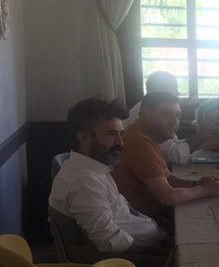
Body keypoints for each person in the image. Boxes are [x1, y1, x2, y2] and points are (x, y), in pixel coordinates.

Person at [49, 98, 167, 254]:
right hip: (136, 258)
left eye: (121, 134)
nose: (120, 143)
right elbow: (110, 242)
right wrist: (160, 252)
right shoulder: (84, 181)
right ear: (84, 138)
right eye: (112, 134)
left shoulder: (94, 168)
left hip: (152, 241)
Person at [113, 91, 219, 228]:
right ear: (144, 115)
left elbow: (168, 177)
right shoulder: (139, 142)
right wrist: (205, 190)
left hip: (152, 216)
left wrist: (195, 184)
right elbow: (168, 197)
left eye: (177, 115)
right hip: (142, 224)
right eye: (165, 114)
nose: (174, 122)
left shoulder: (148, 137)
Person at [124, 70, 219, 164]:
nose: (178, 92)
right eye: (175, 87)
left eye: (177, 115)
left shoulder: (150, 107)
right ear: (161, 89)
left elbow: (173, 144)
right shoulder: (146, 113)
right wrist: (202, 134)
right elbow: (175, 155)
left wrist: (203, 135)